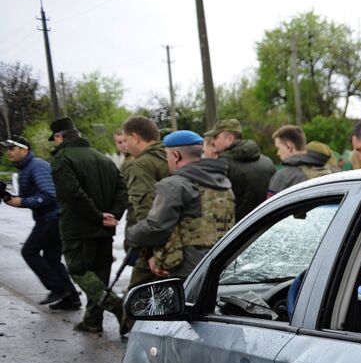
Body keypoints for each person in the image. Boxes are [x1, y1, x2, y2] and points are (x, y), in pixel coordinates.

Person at [48, 117, 128, 333]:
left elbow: (73, 194)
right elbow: (122, 189)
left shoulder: (62, 160)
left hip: (78, 229)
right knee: (99, 274)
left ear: (59, 137)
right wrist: (113, 215)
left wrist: (97, 216)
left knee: (80, 271)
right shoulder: (102, 158)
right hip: (104, 229)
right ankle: (92, 321)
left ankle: (118, 306)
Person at [125, 129, 235, 281]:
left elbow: (155, 228)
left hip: (186, 269)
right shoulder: (224, 184)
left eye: (167, 155)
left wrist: (131, 235)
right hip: (222, 264)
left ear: (176, 156)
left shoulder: (174, 185)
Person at [2, 135, 79, 308]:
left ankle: (58, 288)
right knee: (52, 258)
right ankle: (72, 299)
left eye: (12, 148)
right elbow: (31, 196)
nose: (9, 152)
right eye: (7, 149)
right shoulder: (27, 167)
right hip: (53, 218)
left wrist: (21, 201)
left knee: (29, 252)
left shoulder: (36, 166)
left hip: (52, 218)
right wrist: (8, 197)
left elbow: (49, 195)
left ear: (24, 150)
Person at [119, 117, 171, 297]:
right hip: (178, 240)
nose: (125, 146)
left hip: (155, 245)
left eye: (125, 140)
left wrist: (149, 253)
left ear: (135, 137)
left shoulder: (142, 163)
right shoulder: (169, 156)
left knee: (136, 302)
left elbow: (146, 210)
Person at [207, 118, 275, 220]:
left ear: (229, 138)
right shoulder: (267, 162)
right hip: (266, 225)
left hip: (239, 231)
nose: (212, 141)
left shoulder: (222, 165)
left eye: (216, 137)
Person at [268, 125, 333, 195]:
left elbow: (272, 205)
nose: (278, 153)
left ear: (288, 147)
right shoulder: (329, 171)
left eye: (278, 148)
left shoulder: (282, 177)